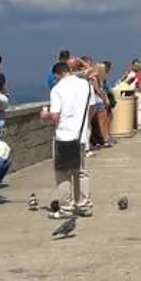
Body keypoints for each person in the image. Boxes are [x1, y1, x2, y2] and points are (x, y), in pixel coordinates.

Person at [40, 60, 93, 218]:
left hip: (64, 135)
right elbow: (90, 108)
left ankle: (66, 208)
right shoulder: (85, 86)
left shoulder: (58, 89)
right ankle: (84, 205)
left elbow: (55, 116)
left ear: (57, 75)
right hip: (81, 135)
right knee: (80, 172)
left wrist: (45, 115)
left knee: (63, 173)